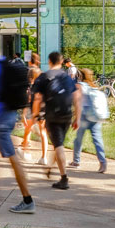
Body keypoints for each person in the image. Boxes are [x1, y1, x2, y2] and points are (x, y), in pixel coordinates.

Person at [0, 33, 35, 214]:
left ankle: (27, 199)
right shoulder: (4, 62)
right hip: (10, 113)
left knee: (13, 159)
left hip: (3, 118)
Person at [31, 51, 79, 190]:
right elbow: (77, 97)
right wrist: (78, 117)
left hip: (53, 115)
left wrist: (34, 115)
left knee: (58, 145)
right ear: (61, 61)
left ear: (50, 61)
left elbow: (38, 98)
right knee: (59, 144)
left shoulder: (44, 77)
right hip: (67, 115)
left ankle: (64, 178)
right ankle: (51, 168)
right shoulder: (67, 78)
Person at [70, 68, 108, 173]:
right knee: (97, 140)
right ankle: (102, 162)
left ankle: (76, 161)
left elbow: (78, 103)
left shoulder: (79, 86)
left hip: (84, 116)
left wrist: (76, 119)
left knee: (78, 140)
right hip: (96, 116)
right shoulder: (94, 87)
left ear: (80, 75)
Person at [21, 55, 48, 165]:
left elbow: (29, 100)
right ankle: (44, 157)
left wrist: (24, 114)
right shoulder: (44, 85)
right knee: (43, 133)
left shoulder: (32, 87)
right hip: (44, 110)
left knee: (27, 129)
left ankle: (24, 150)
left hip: (35, 111)